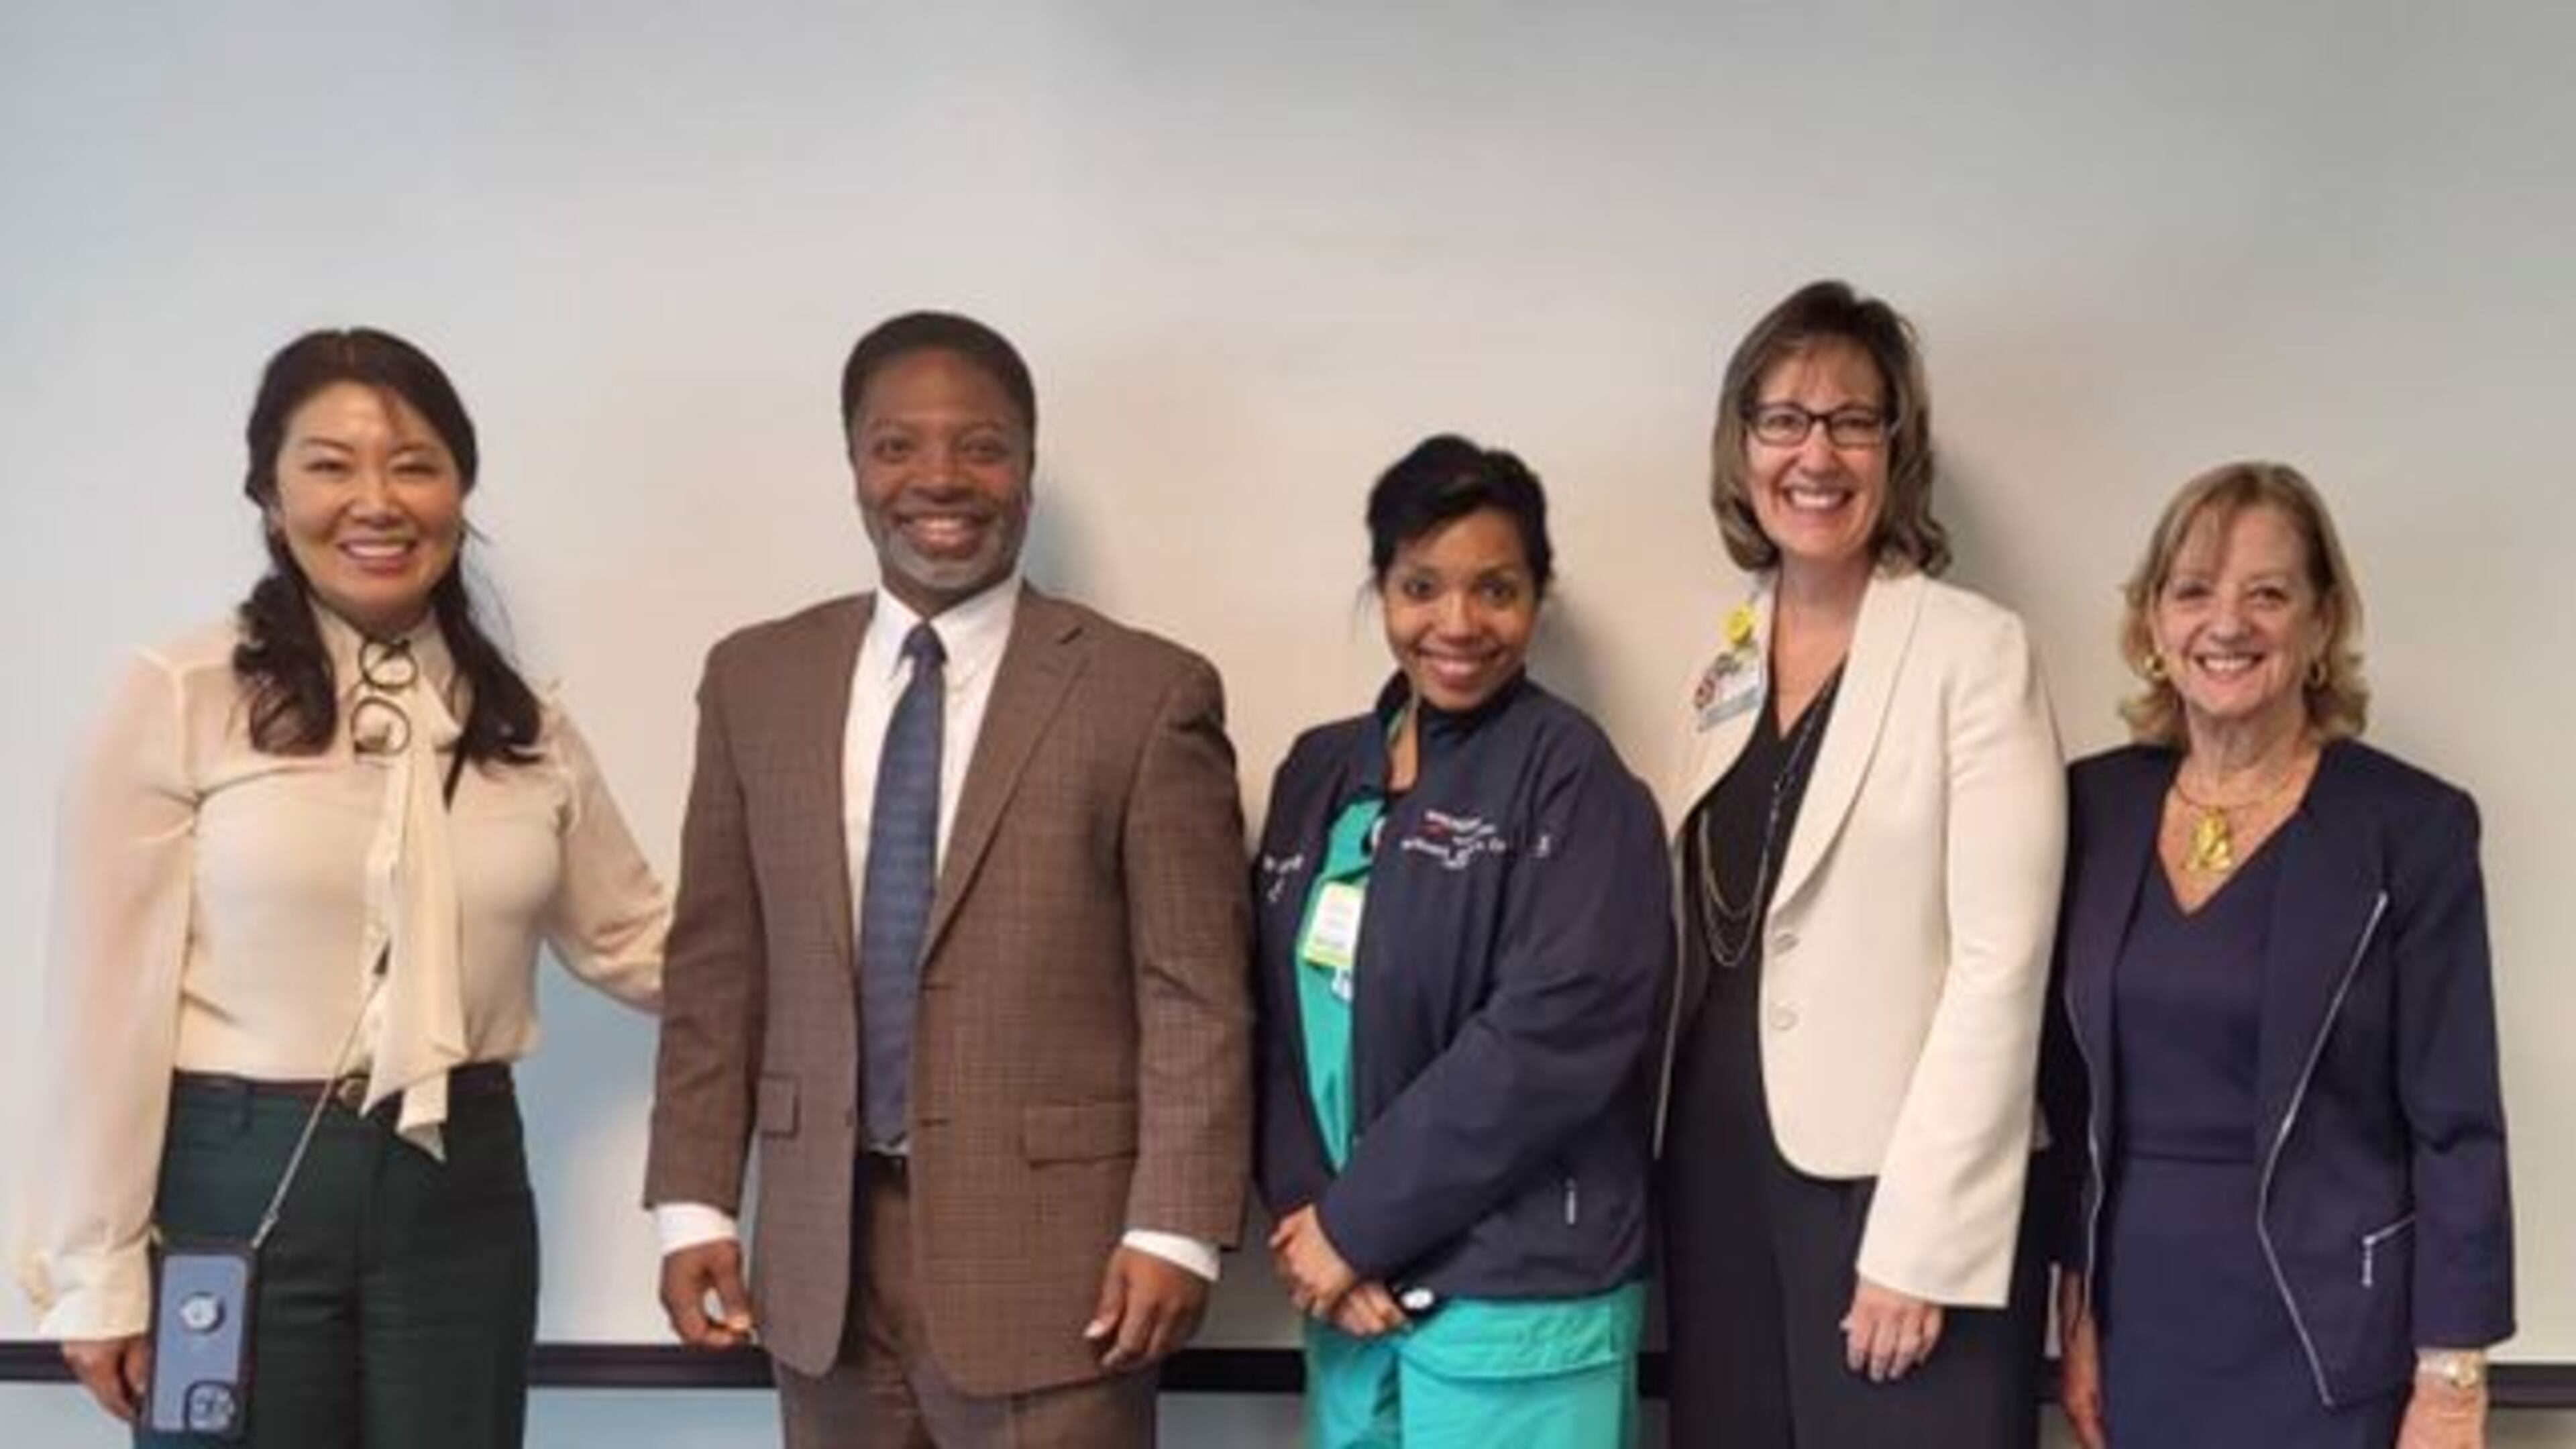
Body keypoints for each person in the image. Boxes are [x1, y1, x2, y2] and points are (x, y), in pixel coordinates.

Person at [14, 327, 669, 1447]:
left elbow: (639, 943)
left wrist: (856, 958)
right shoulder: (181, 694)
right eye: (329, 466)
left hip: (462, 1188)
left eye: (415, 464)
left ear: (461, 488)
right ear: (270, 495)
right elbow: (105, 1007)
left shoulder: (524, 725)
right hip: (233, 1180)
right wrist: (98, 1275)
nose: (376, 501)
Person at [643, 310, 1253, 1448]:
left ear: (1027, 466)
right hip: (819, 1256)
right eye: (896, 446)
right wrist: (693, 1201)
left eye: (980, 446)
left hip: (1065, 1270)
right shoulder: (754, 680)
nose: (940, 478)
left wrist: (1176, 1227)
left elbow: (1196, 992)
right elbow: (717, 968)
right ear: (855, 466)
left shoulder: (1144, 692)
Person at [1656, 280, 2067, 1445]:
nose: (1815, 452)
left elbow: (2003, 963)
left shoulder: (1974, 653)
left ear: (1900, 447)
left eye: (1852, 420)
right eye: (1783, 419)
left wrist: (1922, 1243)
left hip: (1893, 1197)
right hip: (1718, 1174)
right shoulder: (1720, 661)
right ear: (1742, 450)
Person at [2049, 461, 2513, 1449]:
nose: (2228, 624)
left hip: (2331, 1341)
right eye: (2193, 592)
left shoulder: (2410, 828)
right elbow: (2070, 1105)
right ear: (2152, 627)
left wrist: (2454, 1380)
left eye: (2268, 593)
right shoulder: (2091, 809)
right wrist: (2076, 1311)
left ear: (2320, 622)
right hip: (2142, 1327)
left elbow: (2457, 1127)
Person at [1254, 436, 1669, 1448]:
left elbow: (1546, 1044)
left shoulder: (1575, 780)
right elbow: (1274, 1025)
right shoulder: (1317, 774)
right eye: (1421, 586)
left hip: (1519, 1307)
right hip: (1351, 1303)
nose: (1457, 624)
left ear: (1539, 598)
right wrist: (1320, 1226)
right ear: (1382, 589)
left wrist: (1359, 1227)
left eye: (1497, 590)